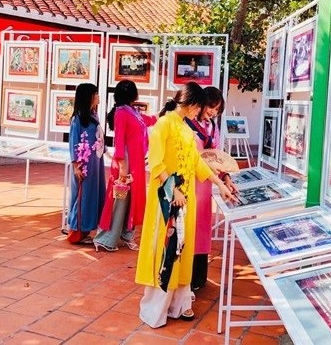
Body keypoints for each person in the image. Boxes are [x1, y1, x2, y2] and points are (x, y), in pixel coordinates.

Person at [135, 82, 236, 328]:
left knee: (181, 249)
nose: (200, 113)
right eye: (199, 107)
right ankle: (155, 308)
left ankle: (178, 304)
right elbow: (157, 164)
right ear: (191, 103)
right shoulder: (162, 126)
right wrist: (175, 190)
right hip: (167, 200)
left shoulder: (183, 128)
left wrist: (219, 183)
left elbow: (196, 163)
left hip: (185, 199)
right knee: (166, 250)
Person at [184, 86, 238, 291]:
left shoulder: (212, 127)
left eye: (217, 109)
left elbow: (217, 155)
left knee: (202, 228)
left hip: (207, 184)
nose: (213, 112)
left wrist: (226, 177)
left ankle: (198, 277)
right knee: (188, 226)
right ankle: (184, 277)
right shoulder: (186, 124)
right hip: (190, 182)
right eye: (210, 107)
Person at [94, 80, 157, 252]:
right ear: (132, 94)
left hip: (135, 161)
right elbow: (119, 140)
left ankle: (126, 234)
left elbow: (150, 120)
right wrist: (122, 166)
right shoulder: (121, 113)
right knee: (119, 198)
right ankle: (106, 238)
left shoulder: (132, 111)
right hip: (126, 160)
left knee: (132, 198)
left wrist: (164, 114)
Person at [67, 83, 105, 244]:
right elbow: (73, 142)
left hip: (95, 163)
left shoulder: (93, 115)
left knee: (92, 195)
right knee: (82, 196)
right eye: (95, 94)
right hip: (84, 165)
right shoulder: (77, 120)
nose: (97, 96)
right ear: (88, 97)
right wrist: (76, 165)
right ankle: (76, 232)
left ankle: (86, 230)